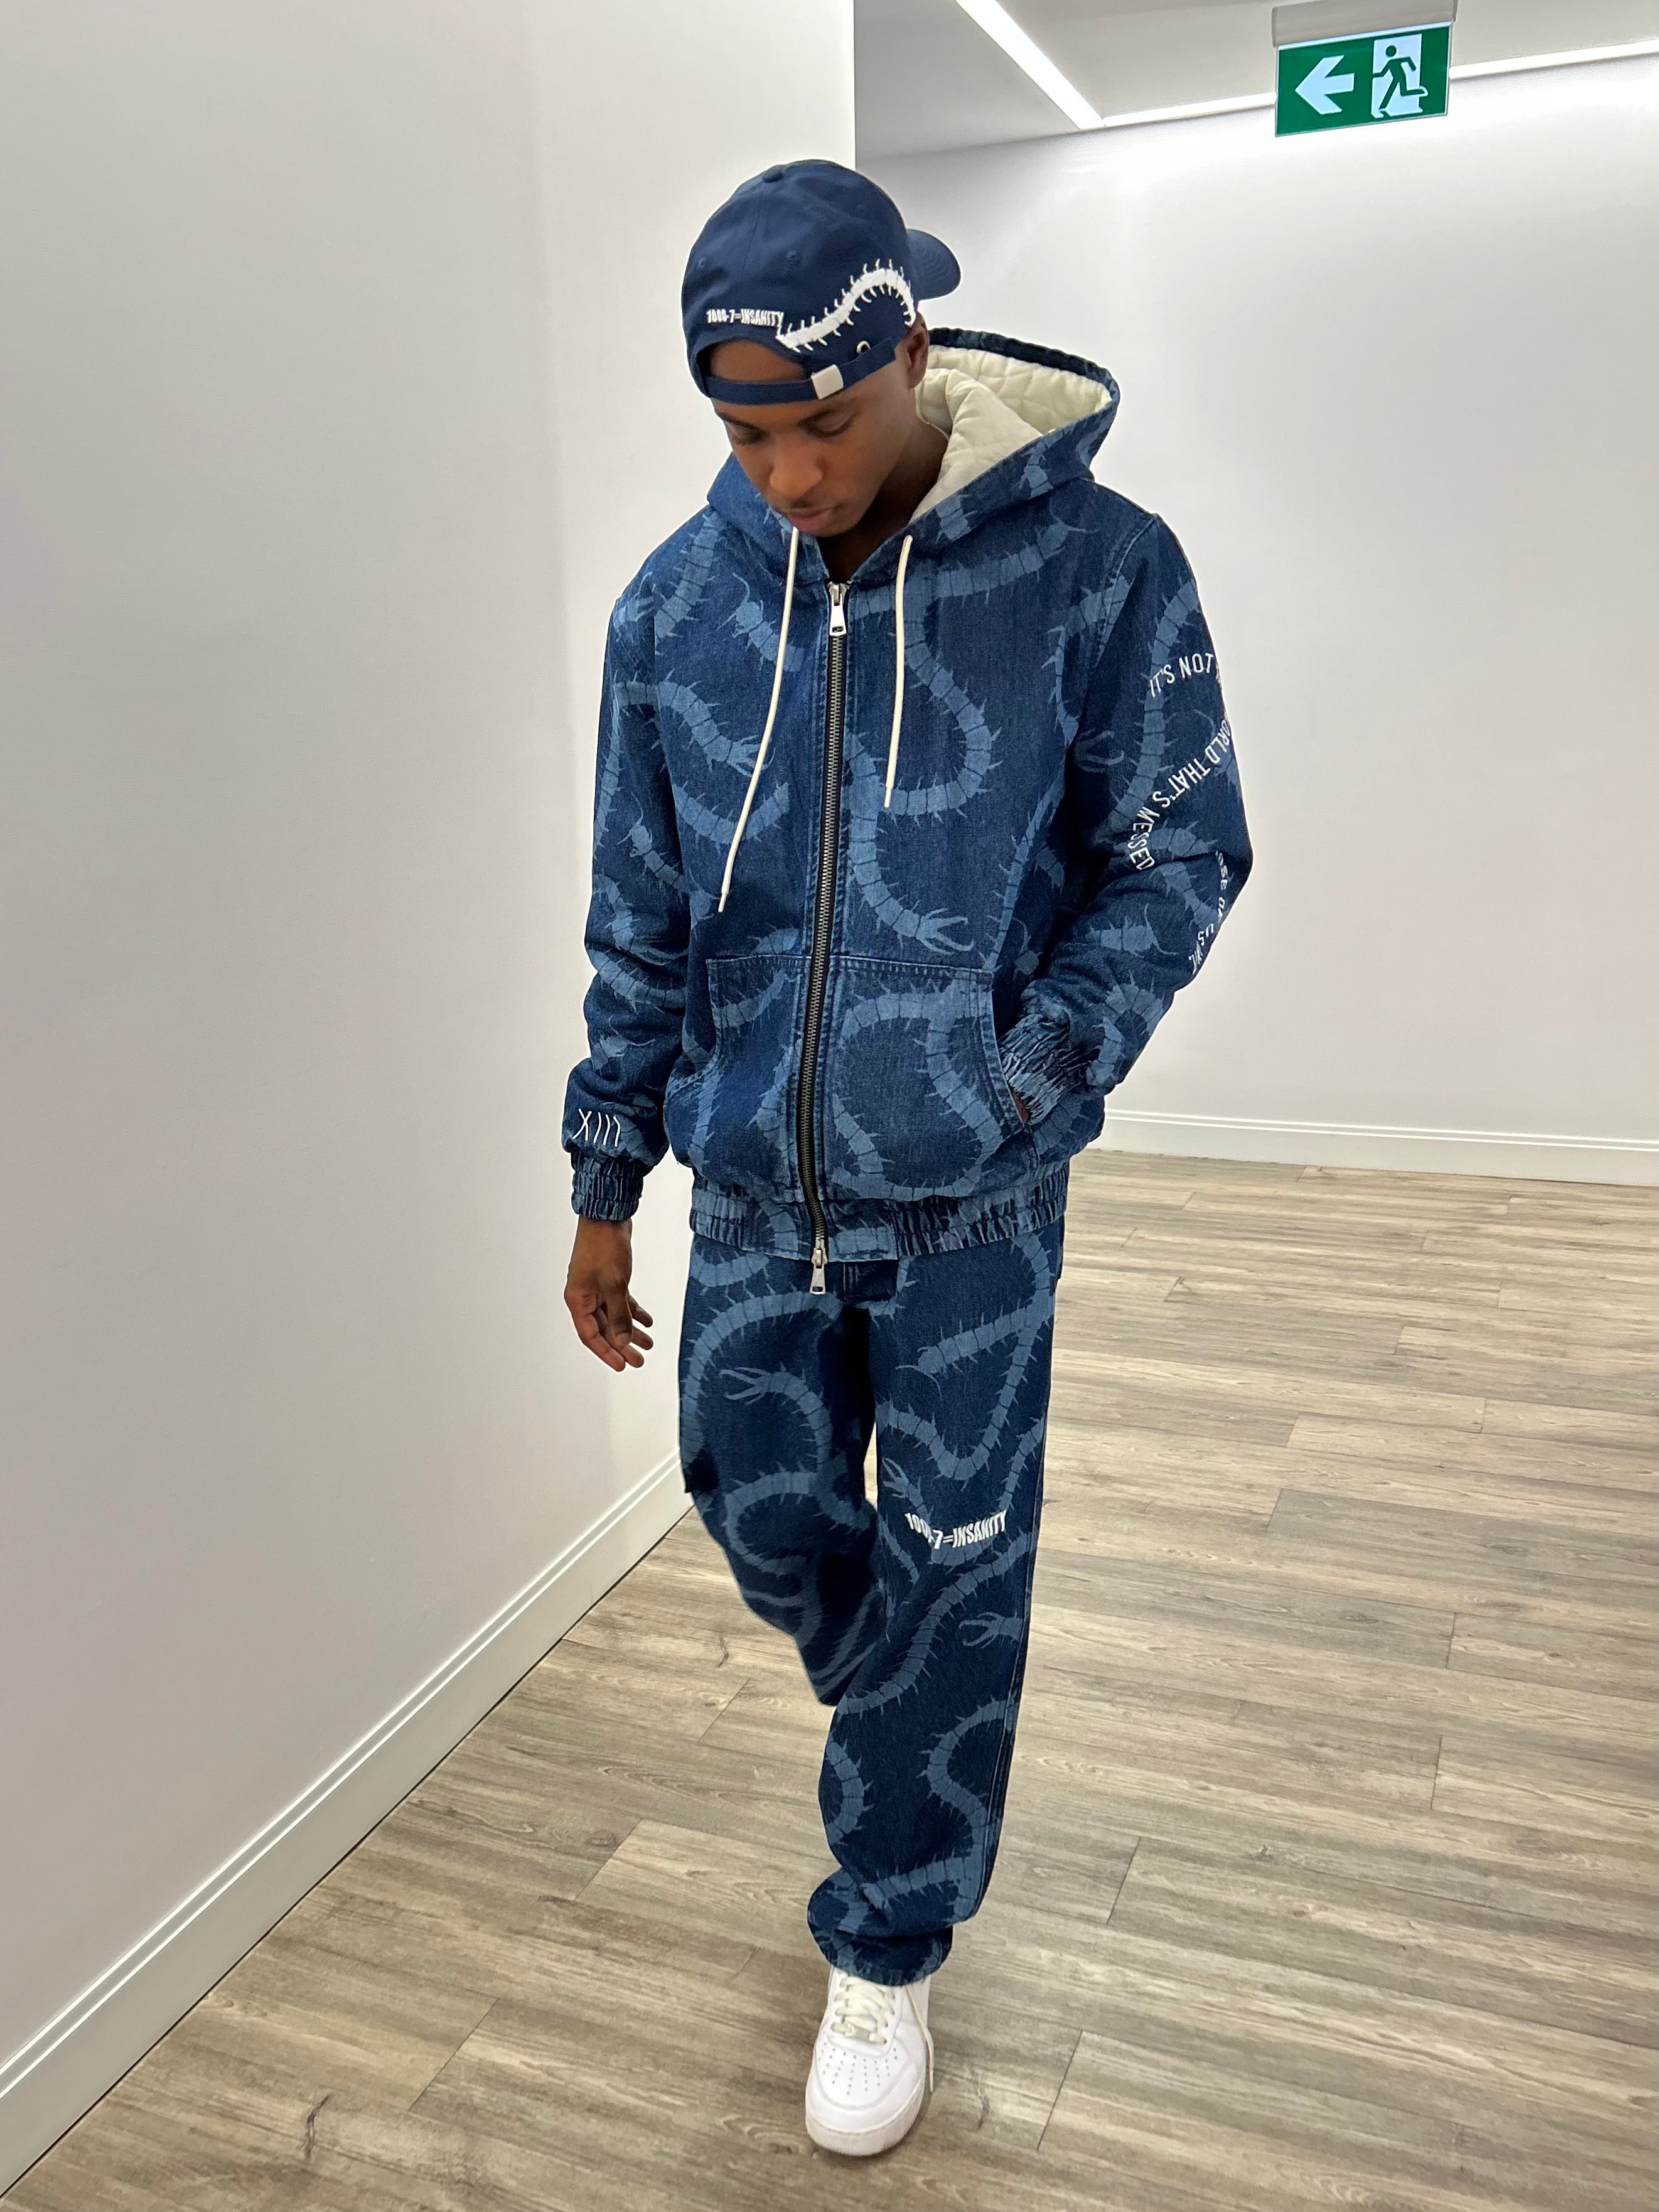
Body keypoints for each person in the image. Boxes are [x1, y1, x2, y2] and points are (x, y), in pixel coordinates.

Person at [562, 159, 1250, 2157]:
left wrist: (1027, 1075)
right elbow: (637, 919)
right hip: (752, 1185)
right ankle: (914, 1689)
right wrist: (603, 1173)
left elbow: (1179, 853)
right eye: (744, 437)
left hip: (973, 1197)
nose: (788, 474)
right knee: (758, 1499)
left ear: (911, 354)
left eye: (825, 424)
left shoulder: (1101, 572)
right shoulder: (675, 611)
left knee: (957, 1550)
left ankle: (886, 1933)